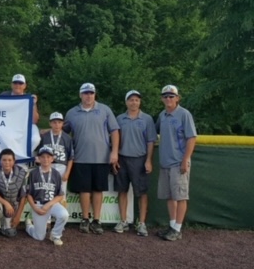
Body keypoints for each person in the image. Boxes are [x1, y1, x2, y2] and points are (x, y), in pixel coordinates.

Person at [63, 83, 120, 235]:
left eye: (91, 93)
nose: (89, 96)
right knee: (84, 190)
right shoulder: (71, 113)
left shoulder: (105, 110)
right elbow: (63, 133)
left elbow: (114, 131)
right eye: (85, 93)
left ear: (95, 94)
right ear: (80, 95)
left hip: (101, 157)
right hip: (80, 157)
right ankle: (85, 219)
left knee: (98, 189)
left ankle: (97, 220)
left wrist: (114, 152)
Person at [155, 85, 197, 241]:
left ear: (177, 98)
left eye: (171, 96)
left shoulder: (184, 114)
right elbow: (154, 132)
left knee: (180, 196)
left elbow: (191, 138)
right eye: (165, 96)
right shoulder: (163, 115)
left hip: (179, 162)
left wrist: (185, 159)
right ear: (162, 99)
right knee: (170, 196)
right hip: (165, 162)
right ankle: (172, 226)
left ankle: (178, 228)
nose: (168, 99)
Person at [113, 90, 157, 237]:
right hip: (122, 159)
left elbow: (151, 141)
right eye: (131, 100)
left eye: (137, 100)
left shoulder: (147, 119)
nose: (134, 102)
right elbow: (115, 139)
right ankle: (123, 221)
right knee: (122, 191)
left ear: (140, 102)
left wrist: (148, 160)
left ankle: (142, 223)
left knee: (142, 193)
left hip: (140, 159)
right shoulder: (119, 119)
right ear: (126, 102)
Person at [26, 146, 69, 245]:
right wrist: (35, 208)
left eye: (48, 157)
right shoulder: (33, 173)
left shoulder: (56, 174)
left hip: (51, 204)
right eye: (43, 157)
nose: (46, 159)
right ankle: (29, 226)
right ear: (39, 158)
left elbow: (60, 195)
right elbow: (28, 194)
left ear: (52, 158)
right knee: (39, 237)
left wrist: (48, 205)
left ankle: (55, 235)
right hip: (38, 205)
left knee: (64, 215)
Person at [0, 148, 28, 239]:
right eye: (4, 160)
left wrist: (18, 216)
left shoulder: (21, 173)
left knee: (11, 233)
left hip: (13, 206)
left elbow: (23, 197)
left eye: (9, 160)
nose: (7, 162)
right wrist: (6, 203)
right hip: (1, 205)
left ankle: (5, 226)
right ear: (0, 161)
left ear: (14, 161)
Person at [40, 112, 74, 199]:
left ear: (63, 123)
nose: (57, 125)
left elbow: (71, 157)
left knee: (61, 194)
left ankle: (61, 211)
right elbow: (39, 153)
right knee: (47, 192)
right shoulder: (44, 137)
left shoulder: (67, 138)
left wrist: (67, 173)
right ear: (50, 123)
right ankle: (47, 211)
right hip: (47, 166)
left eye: (59, 122)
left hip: (62, 166)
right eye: (54, 122)